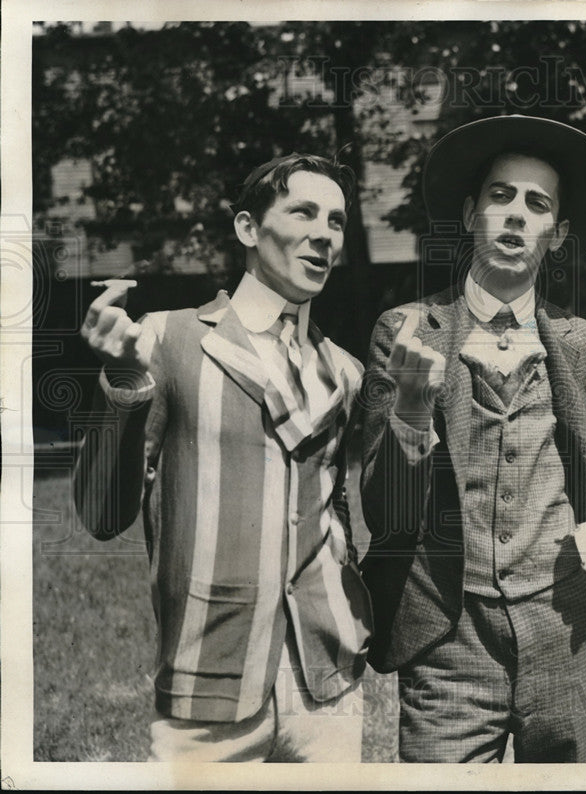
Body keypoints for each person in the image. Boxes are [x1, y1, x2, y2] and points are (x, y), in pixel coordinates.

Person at [358, 114, 586, 763]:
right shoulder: (406, 332)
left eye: (538, 204)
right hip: (448, 640)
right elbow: (385, 512)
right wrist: (410, 410)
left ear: (559, 233)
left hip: (567, 632)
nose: (516, 216)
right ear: (470, 211)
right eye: (501, 196)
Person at [73, 153, 372, 762]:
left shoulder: (345, 372)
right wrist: (125, 385)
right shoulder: (166, 337)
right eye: (303, 212)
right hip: (207, 680)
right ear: (246, 229)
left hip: (327, 685)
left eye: (337, 221)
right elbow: (101, 515)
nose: (324, 234)